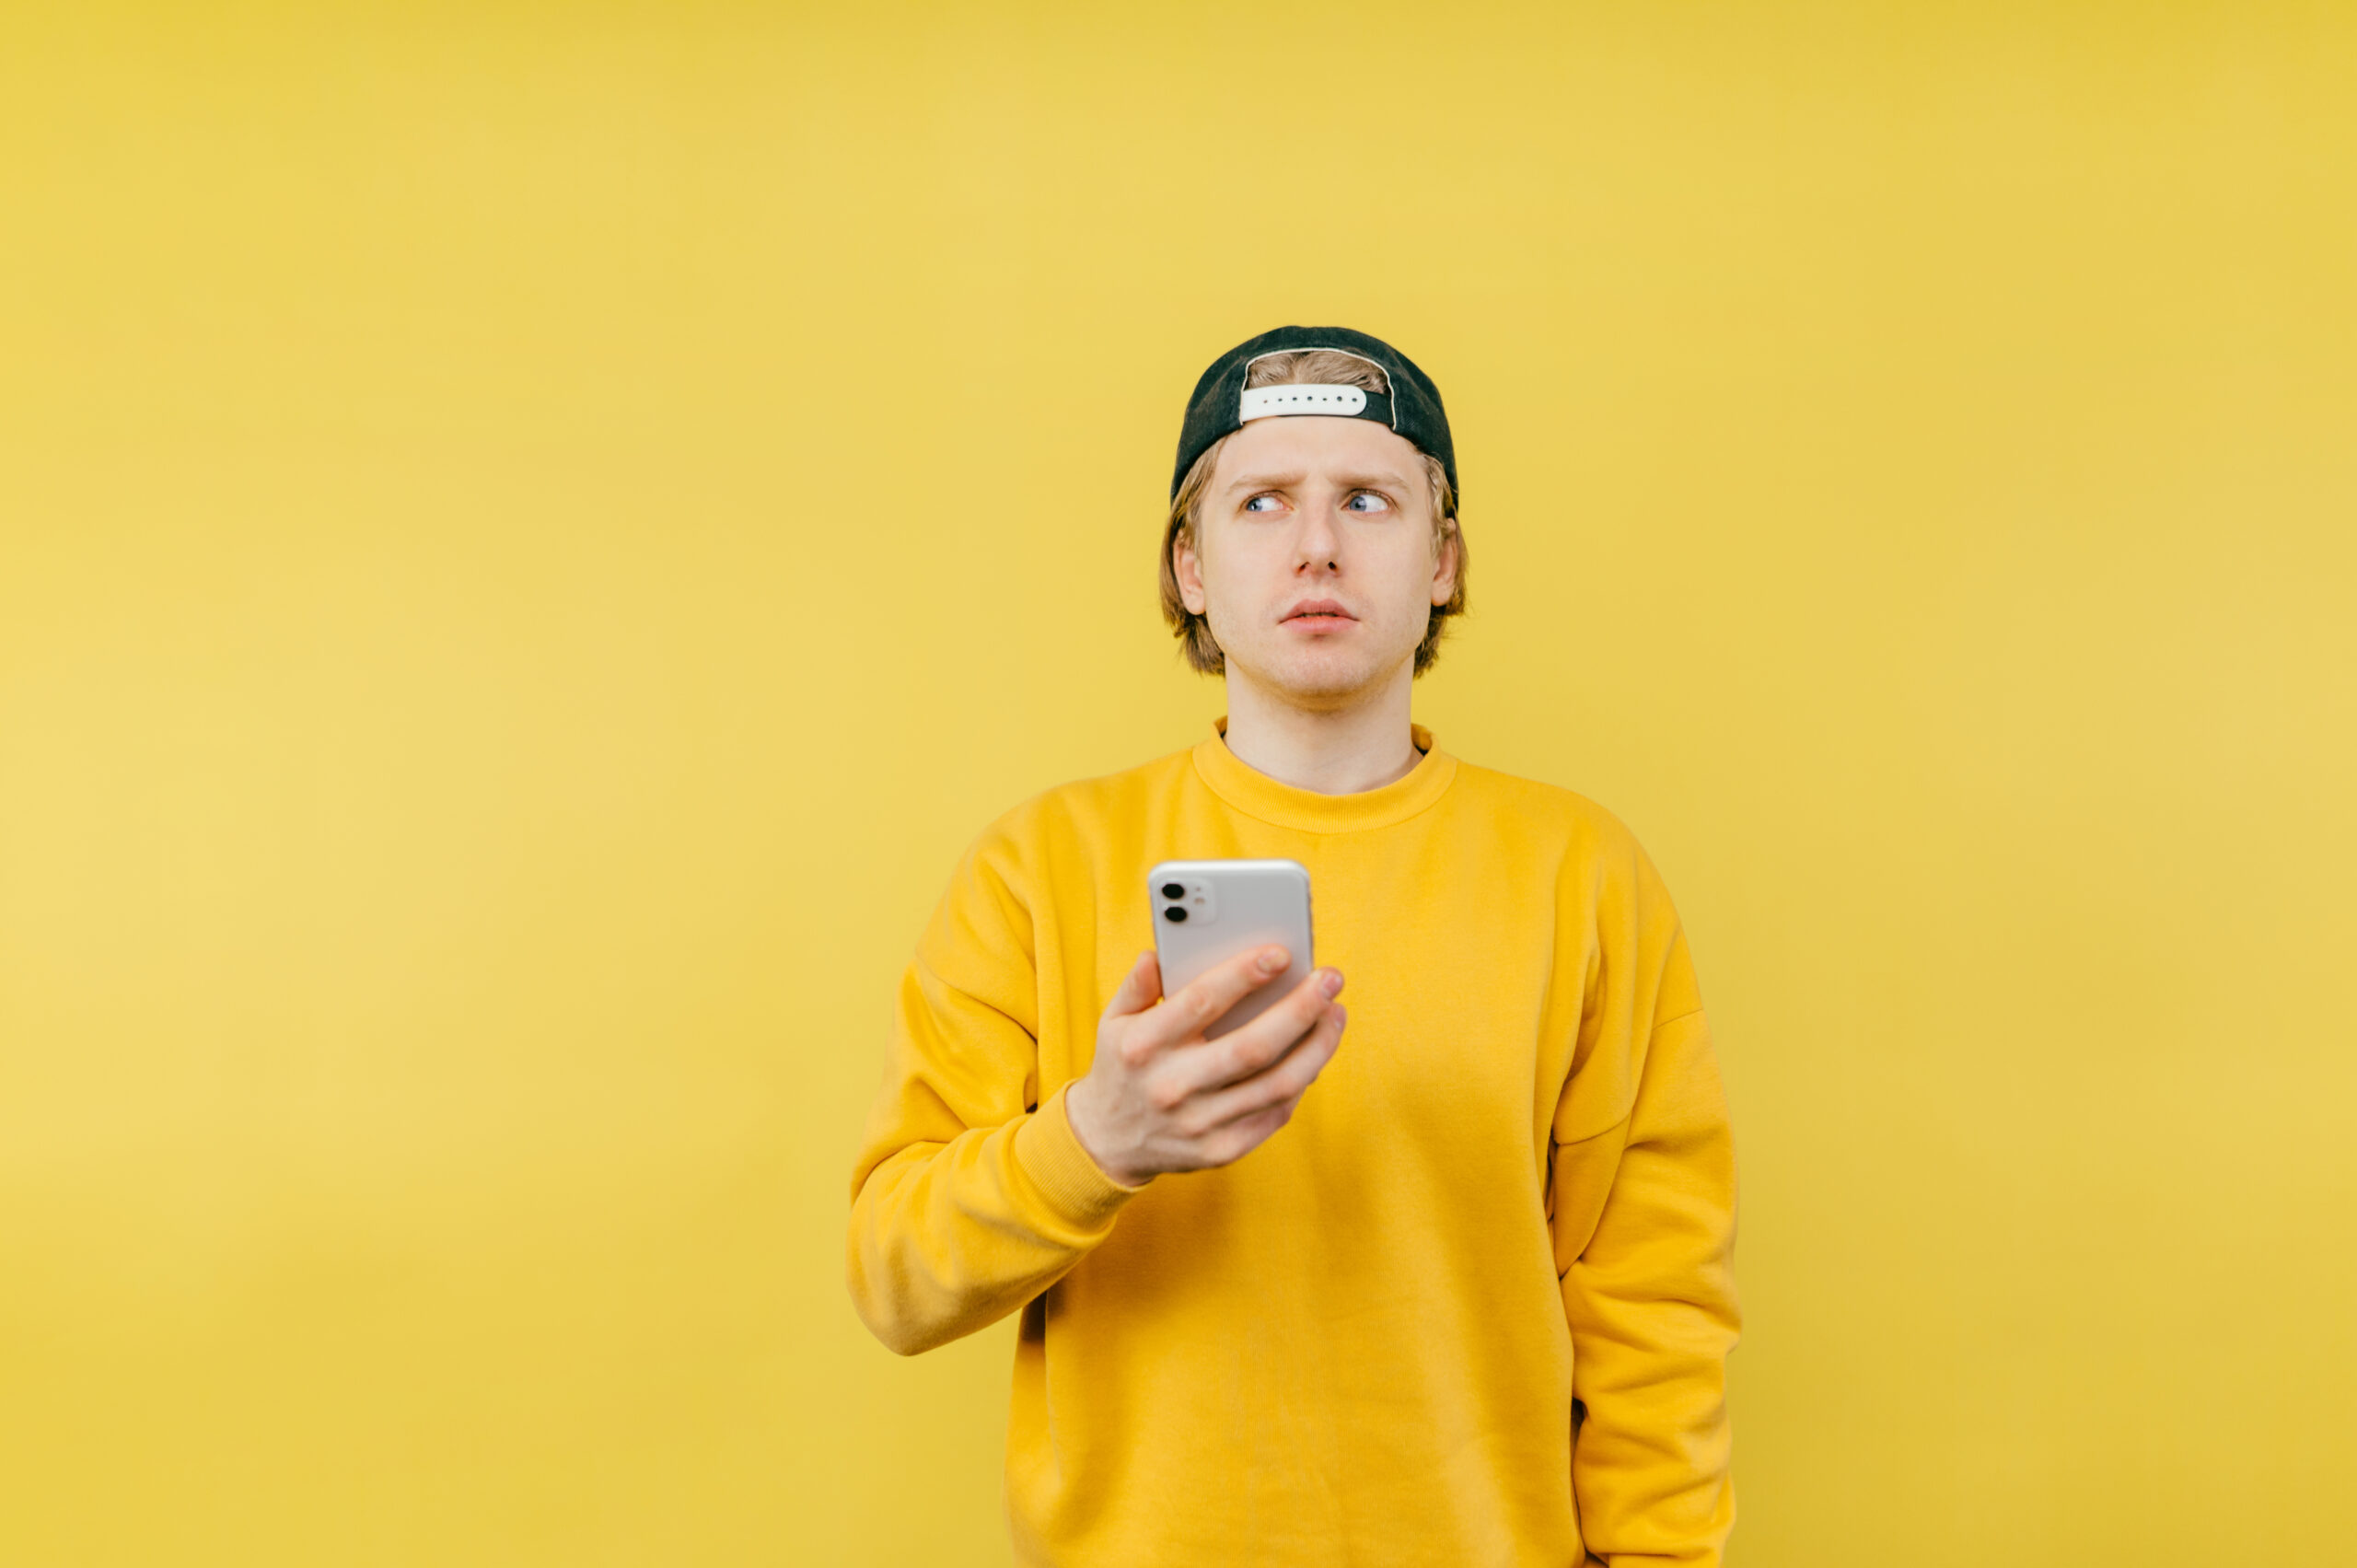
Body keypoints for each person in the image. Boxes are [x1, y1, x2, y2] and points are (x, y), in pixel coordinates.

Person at [846, 325, 1741, 1566]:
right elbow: (895, 1277)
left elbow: (1653, 1303)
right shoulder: (1036, 868)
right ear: (1191, 566)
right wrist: (1095, 1139)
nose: (1317, 543)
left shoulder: (1582, 875)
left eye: (1368, 499)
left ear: (1442, 559)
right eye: (1262, 500)